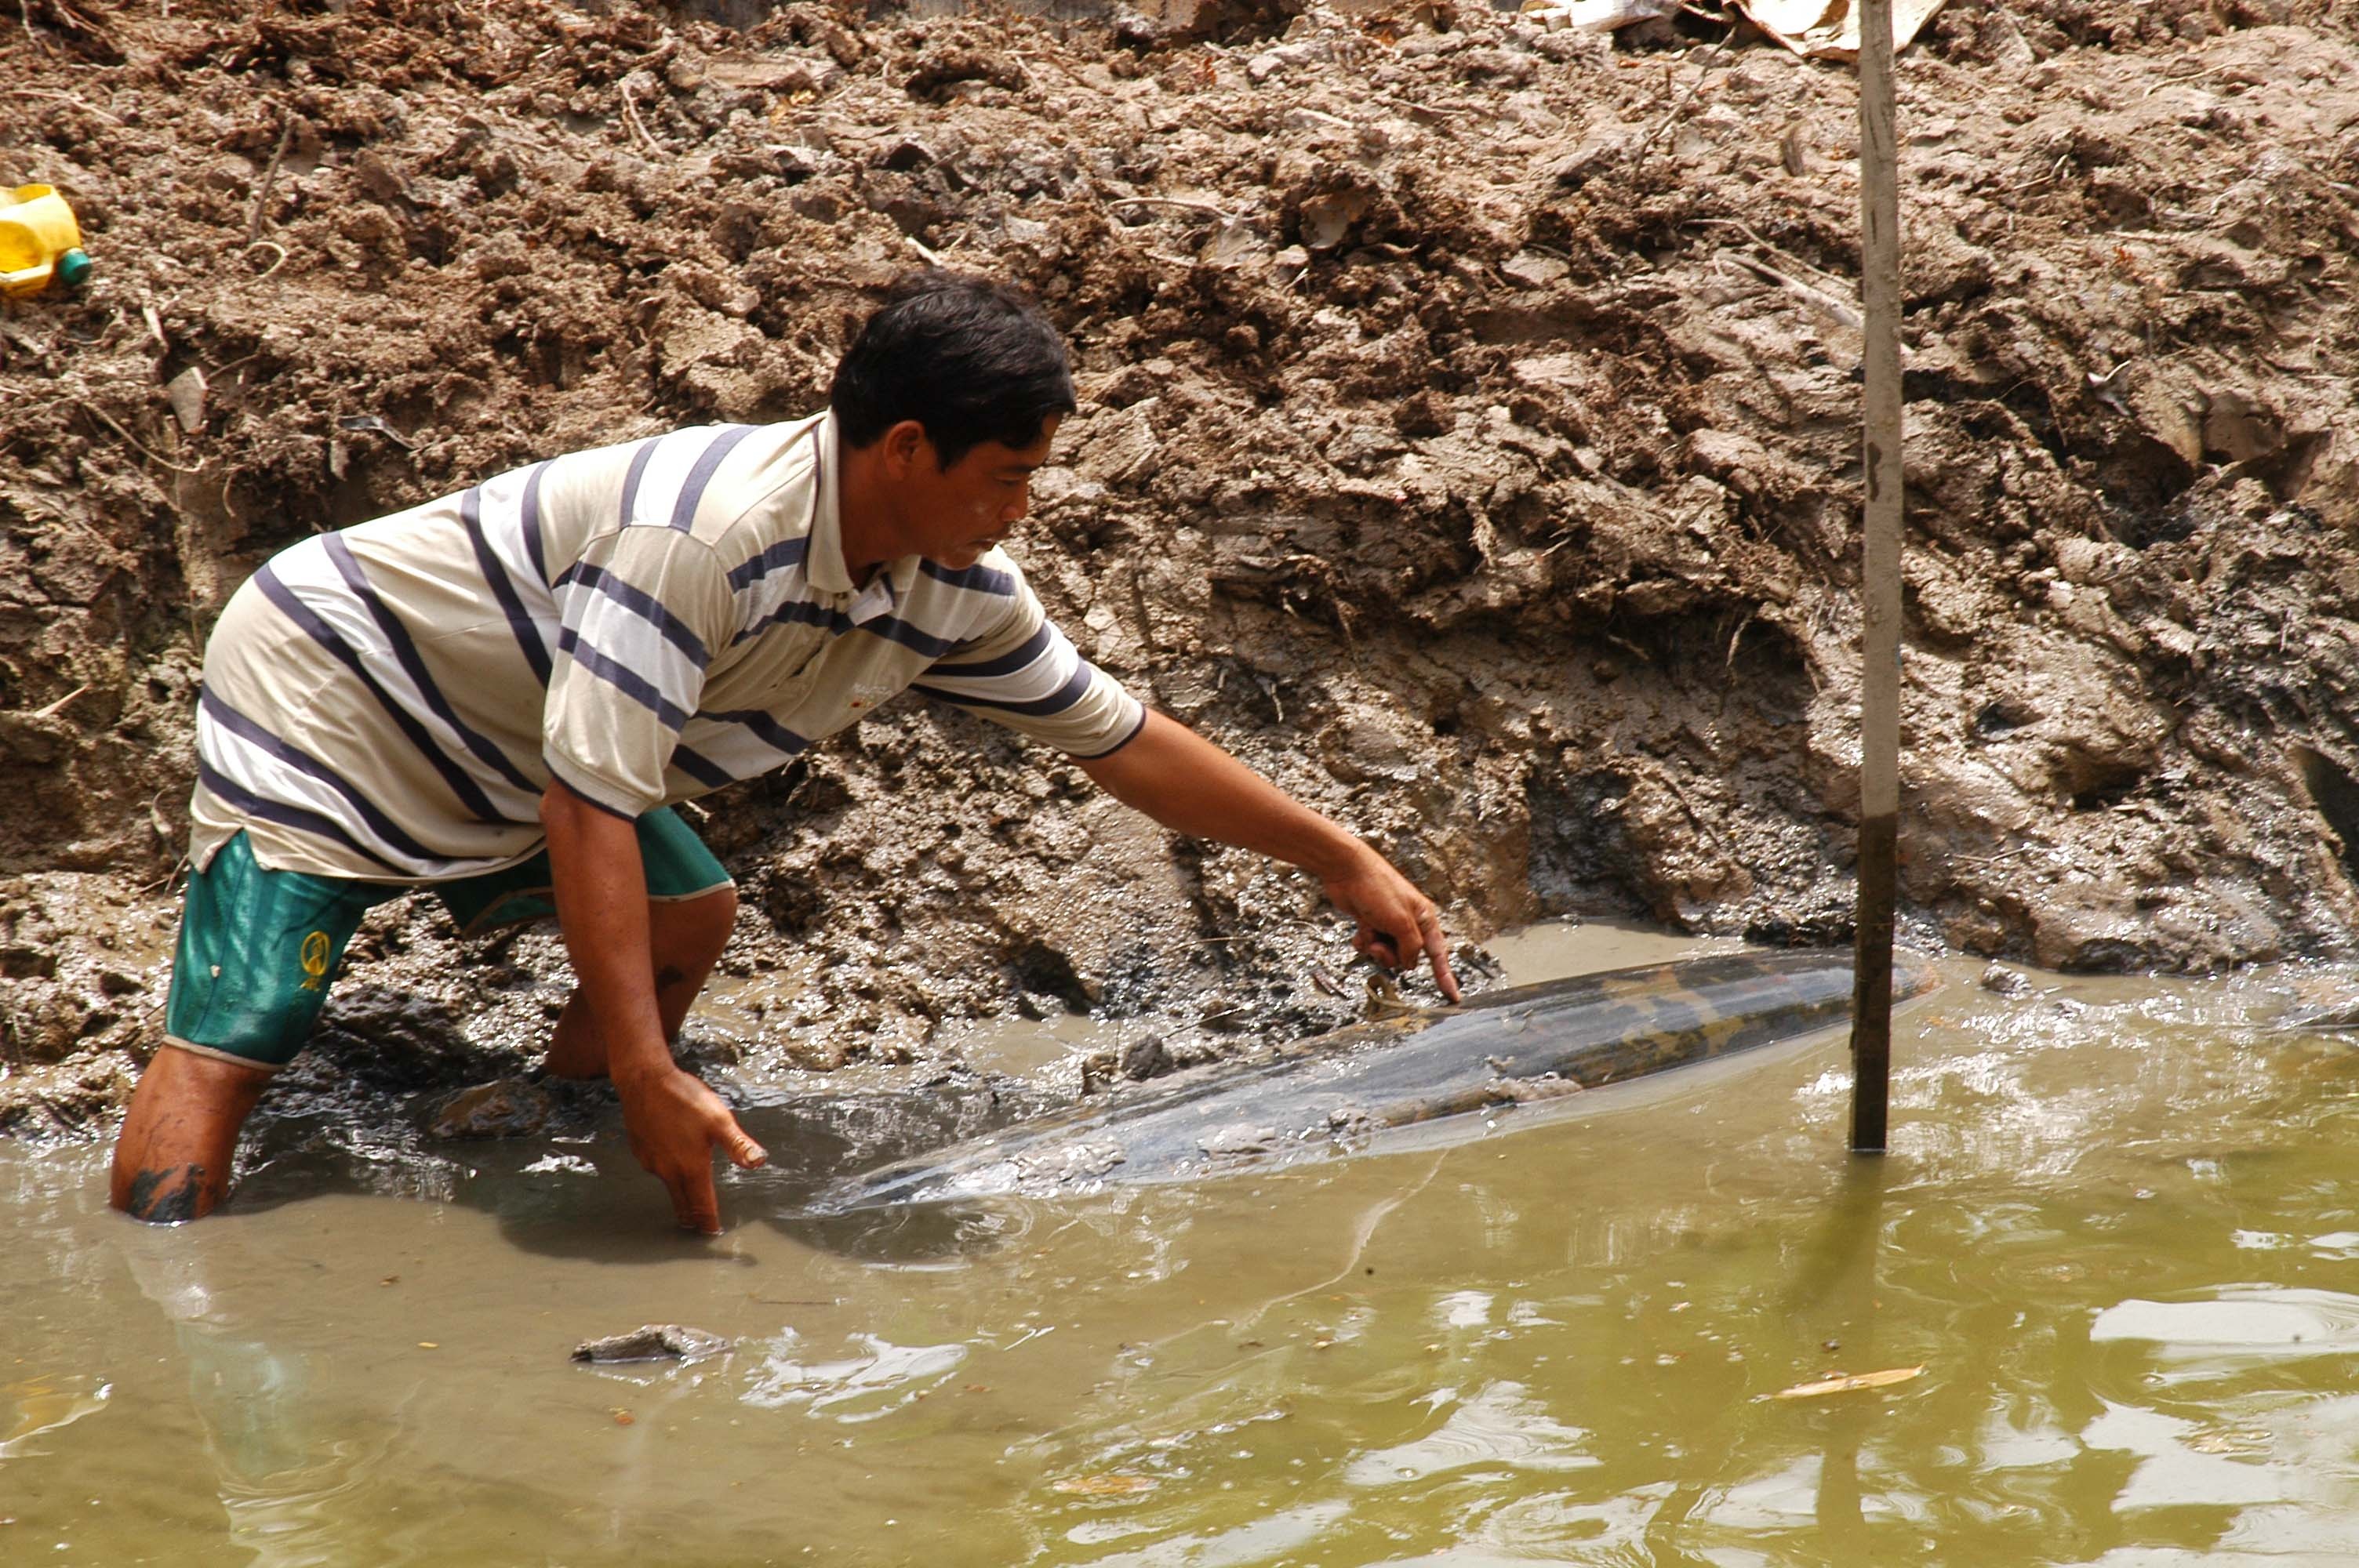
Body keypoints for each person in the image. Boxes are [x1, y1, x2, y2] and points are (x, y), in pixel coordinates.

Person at [111, 270, 1460, 1232]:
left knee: (691, 909)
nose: (1021, 506)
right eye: (1007, 473)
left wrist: (1338, 858)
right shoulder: (700, 542)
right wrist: (658, 1067)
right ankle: (166, 1284)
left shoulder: (948, 582)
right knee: (249, 1028)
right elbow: (589, 805)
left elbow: (1119, 743)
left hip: (529, 721)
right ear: (909, 448)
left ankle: (557, 1126)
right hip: (340, 685)